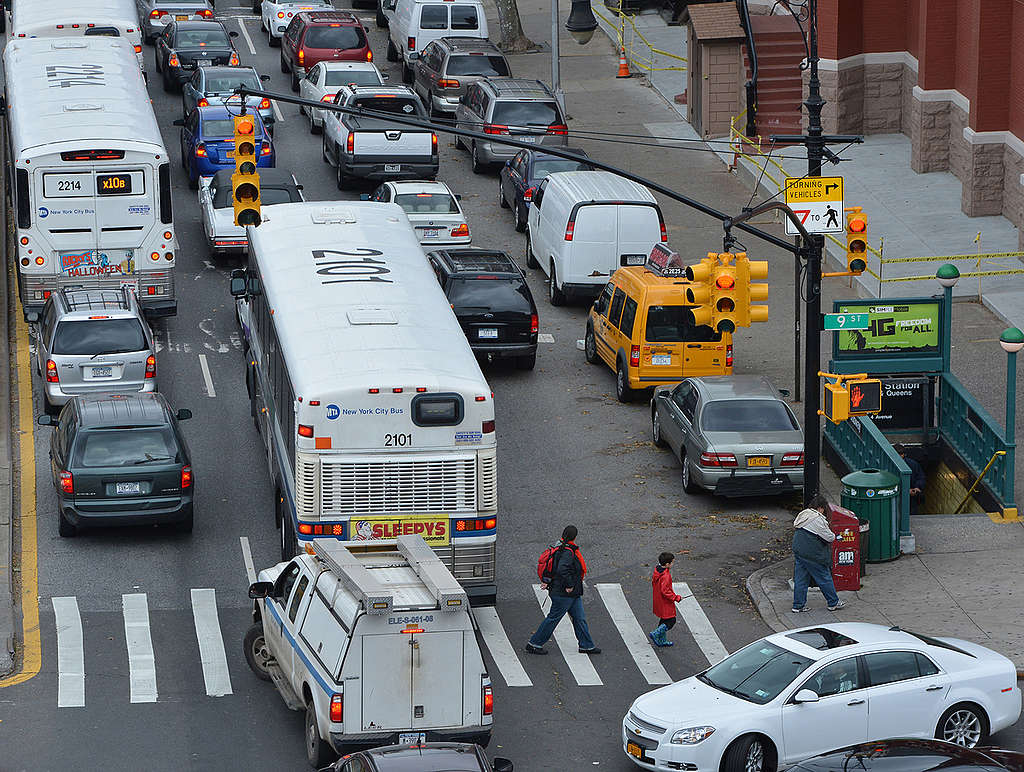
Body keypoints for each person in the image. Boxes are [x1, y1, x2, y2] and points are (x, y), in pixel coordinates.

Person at [526, 525, 600, 655]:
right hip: (565, 593)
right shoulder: (568, 551)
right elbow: (562, 569)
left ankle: (586, 645)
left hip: (570, 593)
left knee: (579, 618)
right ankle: (534, 643)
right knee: (553, 618)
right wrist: (569, 585)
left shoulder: (560, 547)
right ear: (575, 537)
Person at [792, 494, 846, 612]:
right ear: (821, 508)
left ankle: (798, 606)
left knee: (801, 579)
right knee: (824, 576)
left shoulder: (804, 513)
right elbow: (829, 537)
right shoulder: (817, 518)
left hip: (798, 549)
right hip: (812, 553)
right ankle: (833, 602)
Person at [649, 552, 682, 648]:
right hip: (665, 602)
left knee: (663, 619)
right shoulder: (665, 576)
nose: (673, 564)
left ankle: (662, 640)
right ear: (667, 564)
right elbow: (665, 591)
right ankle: (656, 634)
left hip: (658, 600)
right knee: (671, 620)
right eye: (672, 563)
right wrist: (676, 597)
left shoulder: (657, 571)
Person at [894, 443, 926, 514]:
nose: (900, 456)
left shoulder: (913, 464)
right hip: (901, 497)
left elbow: (921, 478)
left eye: (901, 454)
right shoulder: (912, 464)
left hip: (910, 499)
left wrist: (917, 487)